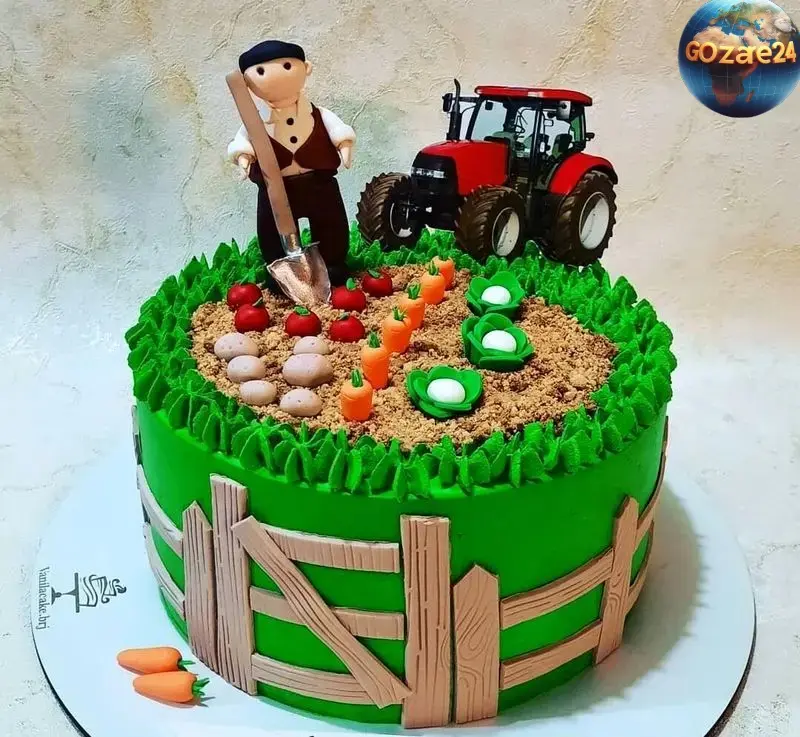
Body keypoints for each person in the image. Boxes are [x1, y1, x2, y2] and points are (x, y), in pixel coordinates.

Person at [228, 40, 355, 288]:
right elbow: (242, 140)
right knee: (273, 232)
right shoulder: (255, 123)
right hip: (275, 190)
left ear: (306, 68)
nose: (274, 76)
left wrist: (343, 141)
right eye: (260, 71)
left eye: (287, 66)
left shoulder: (318, 114)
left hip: (319, 183)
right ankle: (283, 271)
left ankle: (332, 263)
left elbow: (337, 128)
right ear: (246, 82)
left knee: (330, 224)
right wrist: (244, 155)